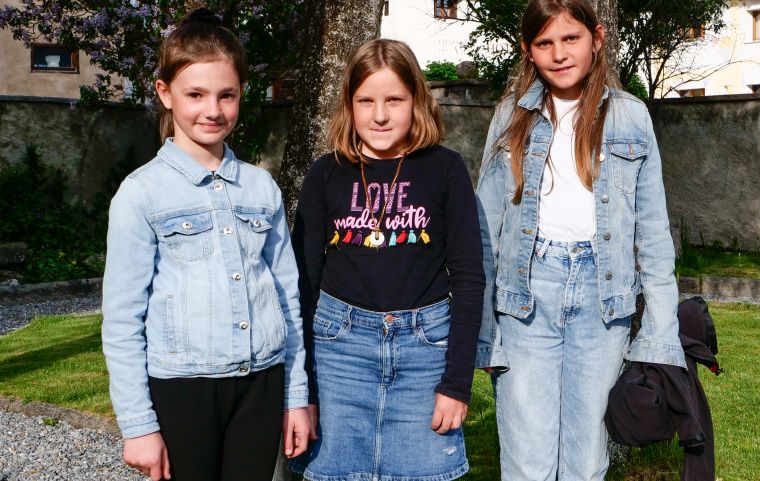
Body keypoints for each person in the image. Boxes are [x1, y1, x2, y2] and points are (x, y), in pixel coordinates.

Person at [474, 1, 688, 480]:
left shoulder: (631, 117)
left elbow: (653, 234)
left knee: (587, 459)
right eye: (545, 43)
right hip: (526, 298)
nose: (560, 53)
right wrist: (484, 332)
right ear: (529, 51)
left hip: (602, 301)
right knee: (527, 460)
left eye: (571, 39)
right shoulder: (511, 117)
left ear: (597, 38)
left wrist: (660, 330)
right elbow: (483, 229)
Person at [101, 9, 310, 481]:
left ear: (240, 96)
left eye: (226, 95)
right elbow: (122, 318)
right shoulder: (141, 194)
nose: (212, 110)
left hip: (261, 384)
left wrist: (296, 396)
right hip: (181, 388)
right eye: (195, 94)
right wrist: (138, 426)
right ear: (165, 93)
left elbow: (287, 299)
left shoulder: (261, 188)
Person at [289, 38, 484, 481]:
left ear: (416, 101)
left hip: (425, 354)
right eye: (366, 101)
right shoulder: (325, 173)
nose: (380, 115)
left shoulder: (445, 168)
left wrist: (456, 386)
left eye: (394, 99)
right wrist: (304, 389)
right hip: (340, 355)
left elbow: (470, 279)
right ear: (349, 104)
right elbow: (303, 288)